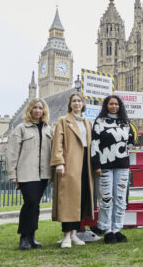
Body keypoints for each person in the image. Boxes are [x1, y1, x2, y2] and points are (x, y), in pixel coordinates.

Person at [6, 99, 52, 250]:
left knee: (35, 205)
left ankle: (32, 236)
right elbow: (12, 152)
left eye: (40, 108)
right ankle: (24, 237)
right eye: (35, 108)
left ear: (44, 111)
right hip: (26, 172)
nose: (38, 110)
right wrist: (13, 173)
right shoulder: (21, 128)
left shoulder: (48, 129)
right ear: (30, 110)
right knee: (30, 202)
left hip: (43, 174)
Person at [51, 92, 95, 248]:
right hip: (70, 162)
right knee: (68, 201)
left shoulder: (87, 122)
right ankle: (66, 236)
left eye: (79, 101)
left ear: (83, 104)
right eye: (74, 101)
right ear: (70, 104)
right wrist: (59, 163)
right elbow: (58, 143)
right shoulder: (63, 121)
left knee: (80, 199)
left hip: (85, 163)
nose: (77, 103)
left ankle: (75, 234)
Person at [91, 95, 134, 244]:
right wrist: (96, 165)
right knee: (106, 198)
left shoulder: (125, 122)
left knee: (120, 199)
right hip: (104, 166)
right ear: (106, 105)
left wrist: (123, 153)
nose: (114, 106)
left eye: (116, 104)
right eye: (111, 104)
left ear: (119, 105)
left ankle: (117, 229)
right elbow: (94, 144)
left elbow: (131, 140)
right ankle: (107, 229)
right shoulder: (99, 122)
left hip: (121, 165)